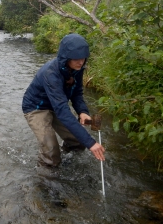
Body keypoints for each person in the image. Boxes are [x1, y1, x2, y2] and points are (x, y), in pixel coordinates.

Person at [22, 33, 105, 167]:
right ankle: (47, 179)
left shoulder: (77, 68)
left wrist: (82, 111)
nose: (81, 62)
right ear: (66, 57)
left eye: (83, 58)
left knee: (78, 142)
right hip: (36, 107)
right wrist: (91, 143)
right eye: (76, 58)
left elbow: (77, 93)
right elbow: (62, 111)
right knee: (51, 151)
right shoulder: (51, 74)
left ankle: (67, 159)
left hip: (56, 104)